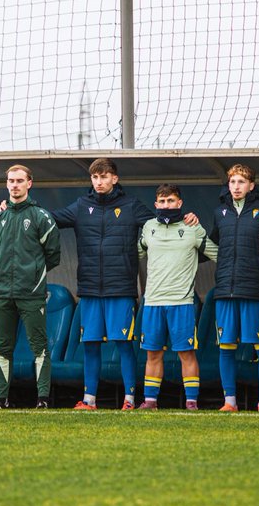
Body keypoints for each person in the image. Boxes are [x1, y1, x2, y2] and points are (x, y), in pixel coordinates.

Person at [48, 158, 197, 411]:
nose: (99, 182)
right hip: (90, 288)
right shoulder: (81, 206)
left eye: (104, 177)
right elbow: (50, 219)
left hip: (121, 288)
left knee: (123, 343)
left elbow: (161, 222)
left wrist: (186, 217)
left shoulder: (130, 205)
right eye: (95, 178)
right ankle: (89, 400)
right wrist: (18, 209)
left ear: (114, 179)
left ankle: (129, 400)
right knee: (91, 344)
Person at [137, 184, 217, 410]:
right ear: (155, 205)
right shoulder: (148, 227)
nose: (166, 205)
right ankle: (150, 401)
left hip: (181, 303)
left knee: (186, 353)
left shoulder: (193, 227)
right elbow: (134, 254)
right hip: (152, 302)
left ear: (180, 203)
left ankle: (192, 402)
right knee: (153, 354)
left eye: (171, 201)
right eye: (162, 202)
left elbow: (217, 254)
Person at [0, 165, 61, 409]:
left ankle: (42, 399)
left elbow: (53, 255)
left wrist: (33, 274)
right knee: (3, 348)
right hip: (3, 293)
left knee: (38, 347)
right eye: (10, 181)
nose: (14, 185)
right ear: (6, 184)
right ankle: (0, 398)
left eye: (19, 180)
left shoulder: (41, 216)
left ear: (29, 183)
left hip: (31, 293)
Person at [210, 164, 259, 411]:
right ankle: (229, 401)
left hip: (254, 289)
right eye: (232, 182)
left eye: (241, 182)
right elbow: (212, 245)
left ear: (251, 185)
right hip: (225, 289)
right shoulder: (220, 212)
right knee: (226, 346)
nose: (236, 186)